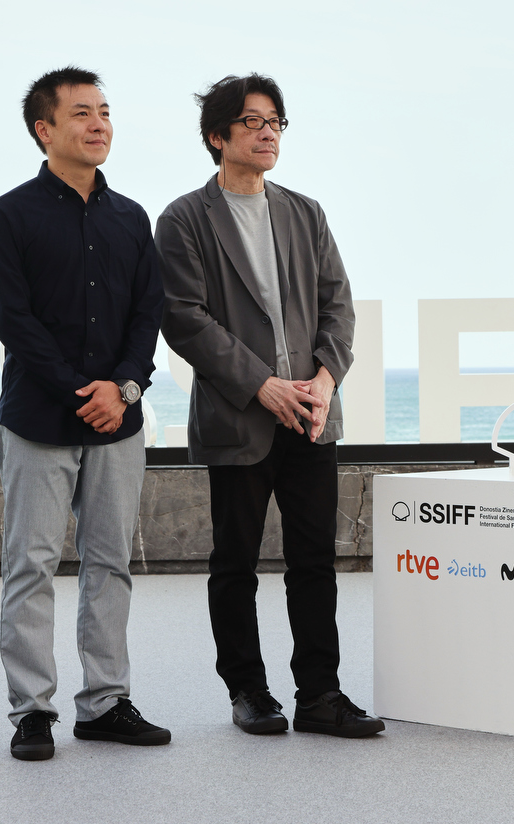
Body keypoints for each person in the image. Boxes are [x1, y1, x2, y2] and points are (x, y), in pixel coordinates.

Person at [156, 73, 384, 737]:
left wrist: (326, 379)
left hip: (311, 415)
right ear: (216, 136)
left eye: (275, 121)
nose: (267, 133)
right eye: (252, 121)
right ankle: (248, 692)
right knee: (235, 563)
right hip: (239, 418)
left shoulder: (306, 213)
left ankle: (320, 695)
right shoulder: (184, 219)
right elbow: (184, 318)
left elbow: (338, 306)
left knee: (315, 562)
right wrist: (261, 385)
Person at [0, 66, 172, 760]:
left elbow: (148, 314)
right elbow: (14, 321)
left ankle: (105, 704)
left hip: (119, 420)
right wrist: (79, 392)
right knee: (30, 566)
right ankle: (32, 712)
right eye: (82, 113)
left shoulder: (132, 219)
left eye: (105, 112)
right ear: (45, 129)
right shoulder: (10, 215)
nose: (99, 124)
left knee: (110, 564)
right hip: (38, 418)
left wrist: (122, 388)